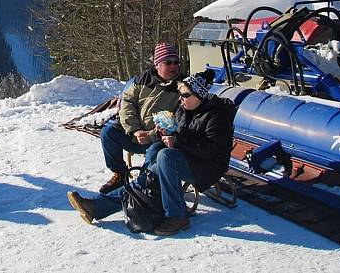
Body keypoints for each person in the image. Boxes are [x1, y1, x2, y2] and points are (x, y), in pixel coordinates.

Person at [67, 69, 235, 235]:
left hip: (207, 167)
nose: (180, 98)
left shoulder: (216, 117)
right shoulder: (185, 109)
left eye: (185, 95)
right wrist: (161, 133)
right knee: (152, 160)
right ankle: (97, 207)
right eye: (180, 94)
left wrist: (177, 141)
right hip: (187, 158)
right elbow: (178, 132)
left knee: (165, 156)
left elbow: (210, 150)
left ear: (199, 95)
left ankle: (177, 215)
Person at [96, 41, 182, 194]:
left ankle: (144, 185)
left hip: (159, 140)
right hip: (136, 135)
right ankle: (119, 174)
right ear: (157, 65)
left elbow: (176, 120)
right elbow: (127, 103)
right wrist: (135, 130)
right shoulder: (142, 80)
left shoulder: (182, 87)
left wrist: (150, 135)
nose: (174, 66)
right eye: (168, 62)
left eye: (176, 62)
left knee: (155, 152)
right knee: (108, 133)